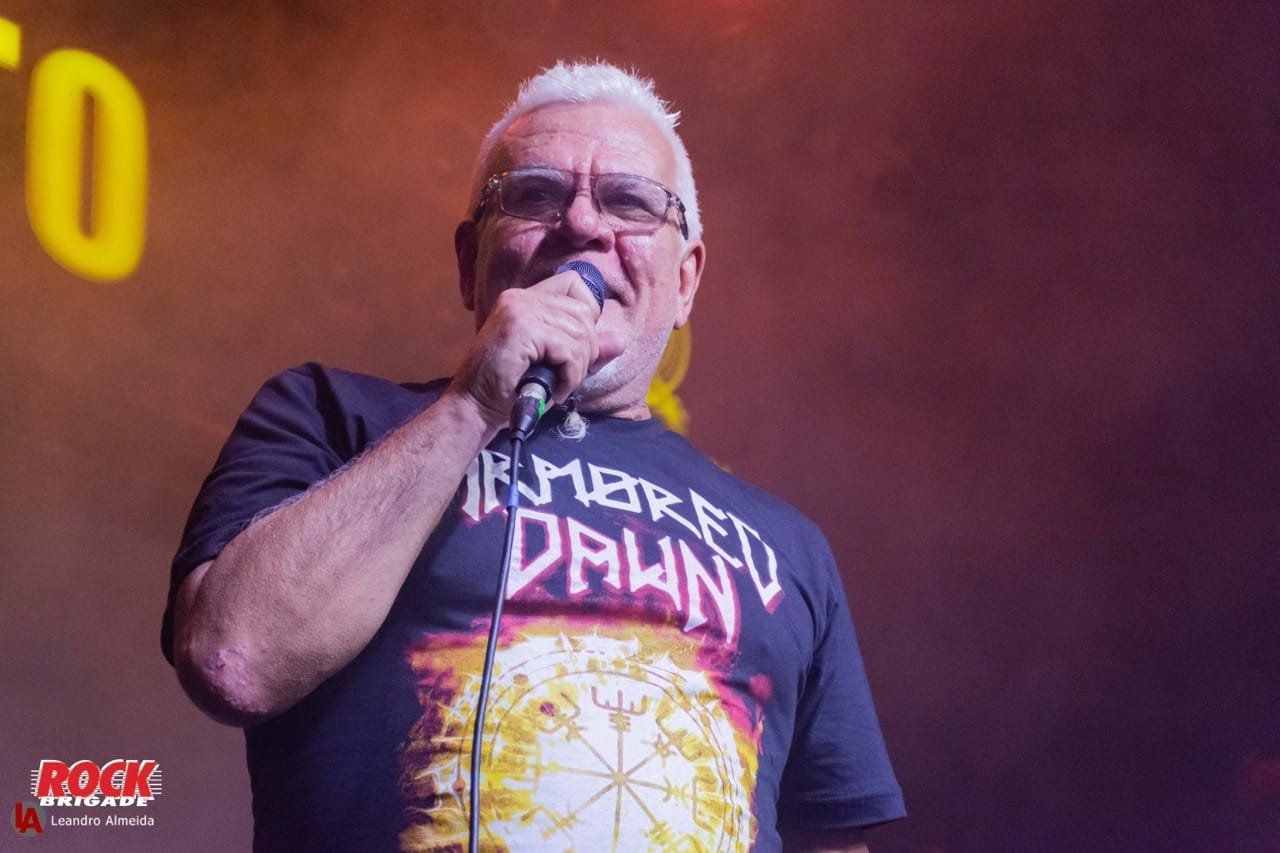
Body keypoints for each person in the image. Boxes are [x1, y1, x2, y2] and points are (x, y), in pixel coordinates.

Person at [163, 60, 904, 852]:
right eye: (535, 194)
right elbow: (235, 661)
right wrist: (473, 402)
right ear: (468, 261)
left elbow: (833, 838)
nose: (582, 223)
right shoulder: (331, 414)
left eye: (630, 201)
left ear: (686, 280)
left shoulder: (787, 543)